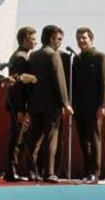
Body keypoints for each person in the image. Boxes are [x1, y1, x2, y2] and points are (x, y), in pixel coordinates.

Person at [26, 25, 73, 182]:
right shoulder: (53, 55)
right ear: (52, 38)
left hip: (34, 103)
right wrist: (65, 102)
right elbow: (59, 81)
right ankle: (49, 172)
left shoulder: (33, 55)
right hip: (51, 105)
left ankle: (32, 172)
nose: (60, 42)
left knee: (34, 139)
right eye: (59, 39)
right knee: (51, 139)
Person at [72, 27, 105, 183]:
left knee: (94, 139)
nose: (81, 41)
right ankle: (87, 172)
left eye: (84, 38)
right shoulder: (77, 59)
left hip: (94, 107)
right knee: (83, 140)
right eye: (79, 38)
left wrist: (103, 105)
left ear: (91, 39)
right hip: (80, 107)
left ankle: (95, 173)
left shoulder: (101, 57)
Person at [4, 26, 37, 181]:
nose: (36, 42)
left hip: (17, 104)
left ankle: (12, 170)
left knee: (17, 137)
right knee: (16, 138)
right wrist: (20, 109)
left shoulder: (20, 55)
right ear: (25, 40)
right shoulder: (21, 58)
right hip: (18, 105)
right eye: (33, 39)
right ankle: (11, 171)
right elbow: (18, 87)